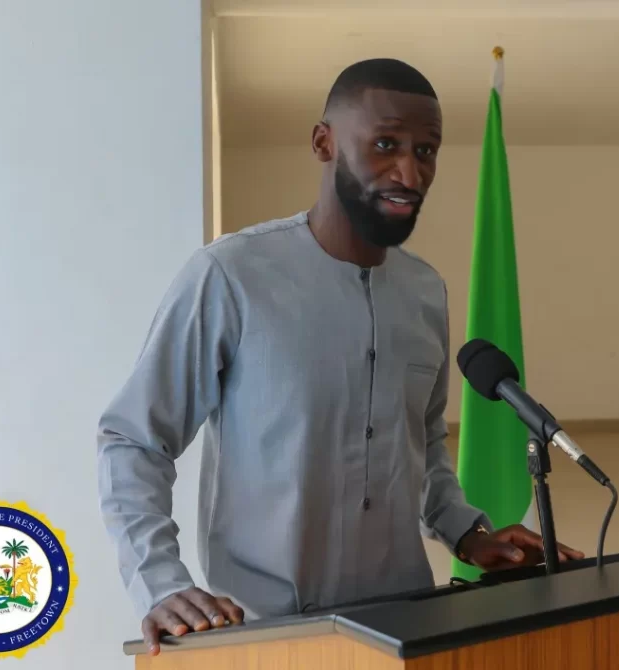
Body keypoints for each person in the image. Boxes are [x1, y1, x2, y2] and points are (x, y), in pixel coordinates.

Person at [97, 58, 582, 655]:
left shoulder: (425, 292)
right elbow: (133, 440)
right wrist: (160, 583)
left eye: (426, 151)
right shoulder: (231, 275)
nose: (410, 172)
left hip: (402, 627)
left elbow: (423, 442)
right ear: (323, 143)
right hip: (264, 633)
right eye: (385, 144)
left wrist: (468, 532)